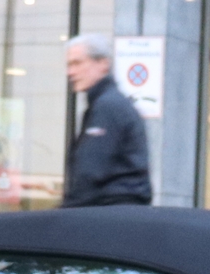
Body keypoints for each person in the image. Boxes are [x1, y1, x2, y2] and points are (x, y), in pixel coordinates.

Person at [61, 33, 152, 207]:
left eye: (77, 63)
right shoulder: (105, 104)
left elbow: (91, 170)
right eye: (69, 65)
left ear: (103, 64)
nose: (70, 72)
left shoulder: (108, 107)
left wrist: (66, 212)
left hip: (111, 213)